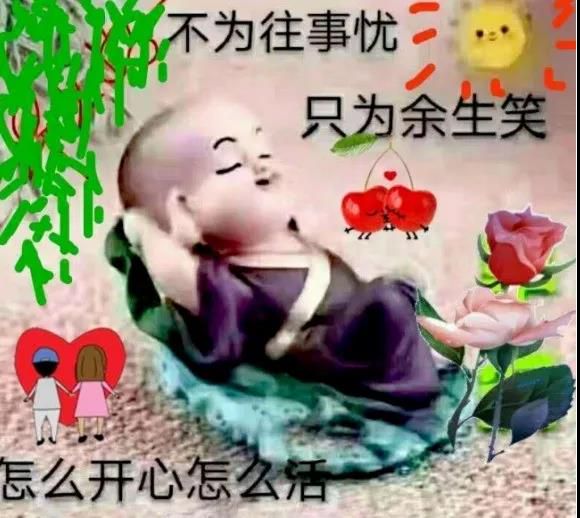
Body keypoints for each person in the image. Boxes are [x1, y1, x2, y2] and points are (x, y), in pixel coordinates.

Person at [24, 348, 71, 445]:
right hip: (54, 405)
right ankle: (53, 438)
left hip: (39, 406)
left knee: (38, 424)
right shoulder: (53, 380)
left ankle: (39, 439)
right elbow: (62, 387)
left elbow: (33, 390)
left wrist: (28, 397)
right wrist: (69, 393)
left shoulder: (39, 381)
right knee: (53, 424)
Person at [73, 344, 119, 443]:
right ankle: (99, 433)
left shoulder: (83, 381)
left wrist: (71, 392)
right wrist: (113, 393)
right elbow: (105, 385)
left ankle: (82, 434)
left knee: (81, 415)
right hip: (97, 395)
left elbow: (77, 387)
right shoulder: (99, 380)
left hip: (85, 396)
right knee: (99, 414)